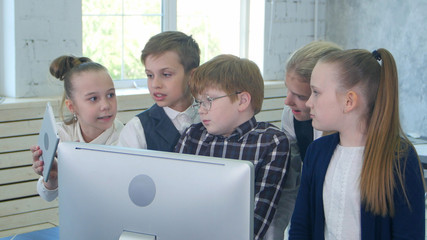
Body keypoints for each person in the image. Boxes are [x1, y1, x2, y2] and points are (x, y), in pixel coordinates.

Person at [289, 48, 425, 239]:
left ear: (349, 101)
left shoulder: (400, 158)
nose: (309, 102)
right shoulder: (316, 152)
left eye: (316, 92)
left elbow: (409, 234)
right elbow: (300, 227)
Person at [174, 54, 290, 240]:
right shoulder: (192, 136)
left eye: (209, 100)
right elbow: (173, 197)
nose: (201, 109)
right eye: (199, 101)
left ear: (242, 101)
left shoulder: (271, 142)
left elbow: (257, 219)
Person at [267, 41, 342, 239]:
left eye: (300, 95)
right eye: (288, 90)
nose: (287, 101)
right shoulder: (290, 115)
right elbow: (291, 185)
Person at [31, 55, 124, 202]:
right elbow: (47, 195)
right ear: (72, 107)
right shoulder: (60, 135)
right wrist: (53, 177)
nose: (106, 105)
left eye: (110, 95)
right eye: (93, 98)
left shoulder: (125, 138)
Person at [118, 31, 200, 151]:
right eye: (150, 75)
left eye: (166, 74)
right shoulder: (137, 129)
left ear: (192, 76)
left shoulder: (212, 118)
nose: (155, 84)